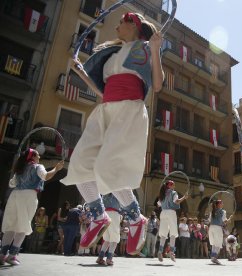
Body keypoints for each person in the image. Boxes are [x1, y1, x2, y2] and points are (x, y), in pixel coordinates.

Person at [60, 11, 164, 255]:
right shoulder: (112, 54)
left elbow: (157, 85)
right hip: (105, 109)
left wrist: (157, 49)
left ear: (133, 26)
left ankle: (136, 218)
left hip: (129, 110)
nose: (117, 26)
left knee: (107, 166)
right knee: (80, 163)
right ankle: (98, 216)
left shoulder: (145, 48)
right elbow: (103, 90)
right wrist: (82, 74)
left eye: (122, 22)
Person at [0, 148, 64, 265]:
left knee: (11, 225)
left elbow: (11, 183)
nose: (39, 157)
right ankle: (12, 256)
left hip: (15, 195)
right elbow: (46, 176)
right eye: (38, 155)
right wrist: (56, 169)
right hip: (29, 196)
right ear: (33, 157)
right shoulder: (38, 167)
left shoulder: (20, 168)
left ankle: (2, 255)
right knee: (23, 225)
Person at [157, 180, 188, 262]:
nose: (174, 187)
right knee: (173, 233)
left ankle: (160, 251)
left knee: (163, 233)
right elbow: (176, 201)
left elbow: (158, 204)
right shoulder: (173, 193)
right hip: (171, 212)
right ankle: (171, 252)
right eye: (173, 185)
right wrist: (184, 197)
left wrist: (165, 202)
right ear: (170, 186)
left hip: (163, 212)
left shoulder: (162, 194)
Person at [96, 194, 122, 266]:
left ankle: (100, 258)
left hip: (105, 214)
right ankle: (109, 259)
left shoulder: (104, 192)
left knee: (107, 238)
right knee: (115, 238)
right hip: (114, 213)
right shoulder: (116, 190)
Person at [208, 200, 233, 265]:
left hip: (211, 228)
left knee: (214, 243)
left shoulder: (212, 211)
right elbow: (224, 221)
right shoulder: (223, 211)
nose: (223, 204)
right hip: (217, 228)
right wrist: (229, 219)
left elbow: (209, 220)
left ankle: (213, 257)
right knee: (218, 244)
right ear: (219, 204)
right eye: (222, 203)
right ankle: (214, 258)